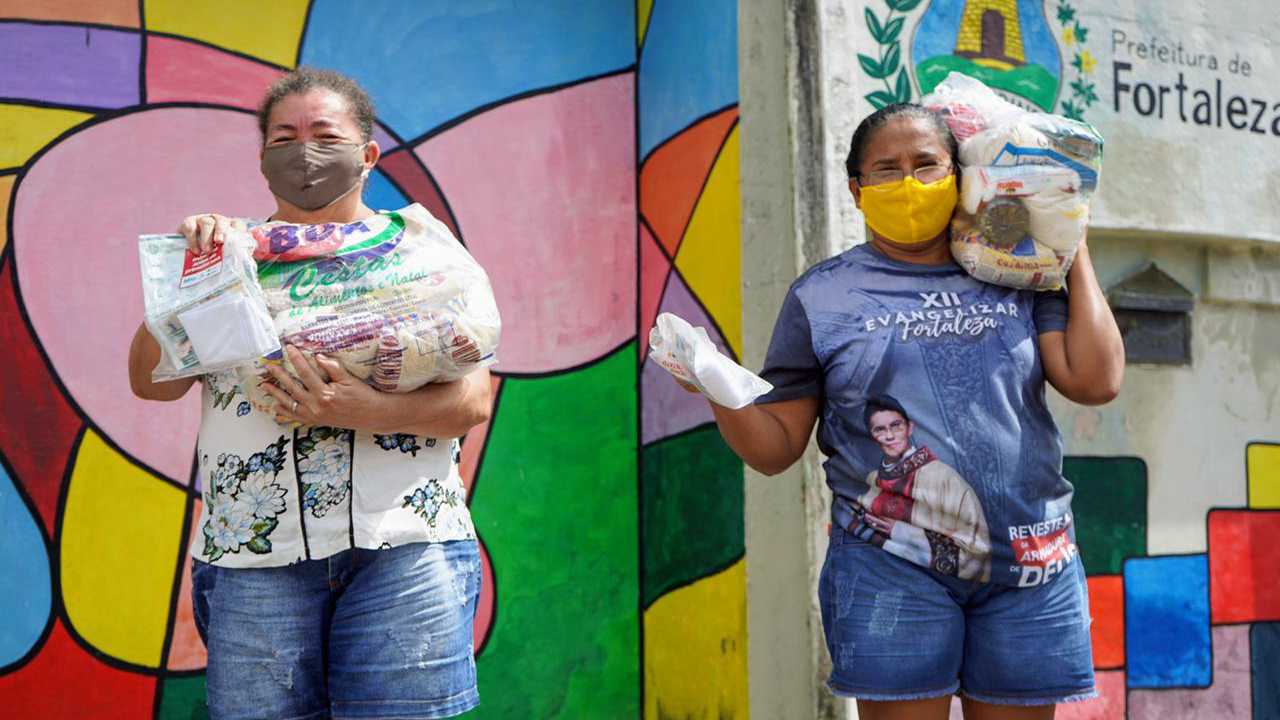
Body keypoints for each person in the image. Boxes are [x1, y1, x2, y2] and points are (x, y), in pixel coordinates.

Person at [670, 103, 1124, 719]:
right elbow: (776, 449)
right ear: (857, 191)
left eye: (926, 165)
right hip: (893, 566)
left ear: (959, 176)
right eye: (885, 170)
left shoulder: (1015, 273)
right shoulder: (822, 297)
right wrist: (717, 386)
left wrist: (1070, 243)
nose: (908, 183)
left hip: (1030, 564)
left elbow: (1096, 381)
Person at [127, 68, 490, 720]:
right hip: (256, 558)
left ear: (368, 155)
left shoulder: (421, 249)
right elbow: (151, 384)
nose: (305, 151)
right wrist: (187, 278)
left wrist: (366, 412)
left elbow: (472, 402)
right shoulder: (229, 255)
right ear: (264, 156)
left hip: (405, 546)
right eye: (285, 137)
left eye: (325, 134)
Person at [855, 394, 991, 582]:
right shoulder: (873, 479)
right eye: (880, 429)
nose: (889, 436)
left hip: (939, 584)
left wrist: (901, 532)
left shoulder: (944, 479)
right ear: (872, 437)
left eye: (896, 426)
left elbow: (977, 550)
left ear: (910, 427)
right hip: (879, 574)